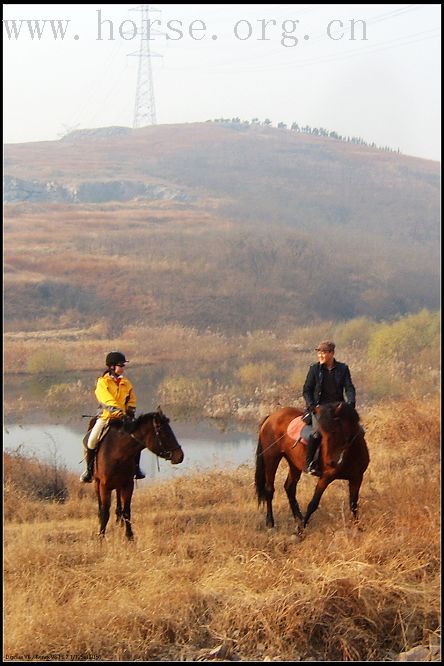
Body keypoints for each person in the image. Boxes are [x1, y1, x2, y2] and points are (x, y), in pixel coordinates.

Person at [80, 351, 145, 483]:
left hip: (124, 418)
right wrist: (117, 412)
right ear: (111, 367)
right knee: (91, 440)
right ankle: (89, 470)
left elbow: (131, 399)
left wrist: (130, 411)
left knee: (137, 440)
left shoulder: (126, 383)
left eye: (123, 366)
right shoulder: (102, 382)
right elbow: (106, 400)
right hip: (107, 417)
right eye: (120, 365)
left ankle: (137, 468)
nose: (122, 368)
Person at [302, 340, 356, 475]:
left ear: (332, 353)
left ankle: (350, 462)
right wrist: (312, 406)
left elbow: (349, 387)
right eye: (319, 352)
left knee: (356, 430)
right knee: (316, 434)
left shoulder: (343, 368)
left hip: (337, 408)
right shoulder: (314, 369)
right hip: (319, 409)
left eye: (323, 352)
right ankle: (310, 463)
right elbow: (307, 390)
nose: (320, 355)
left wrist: (351, 402)